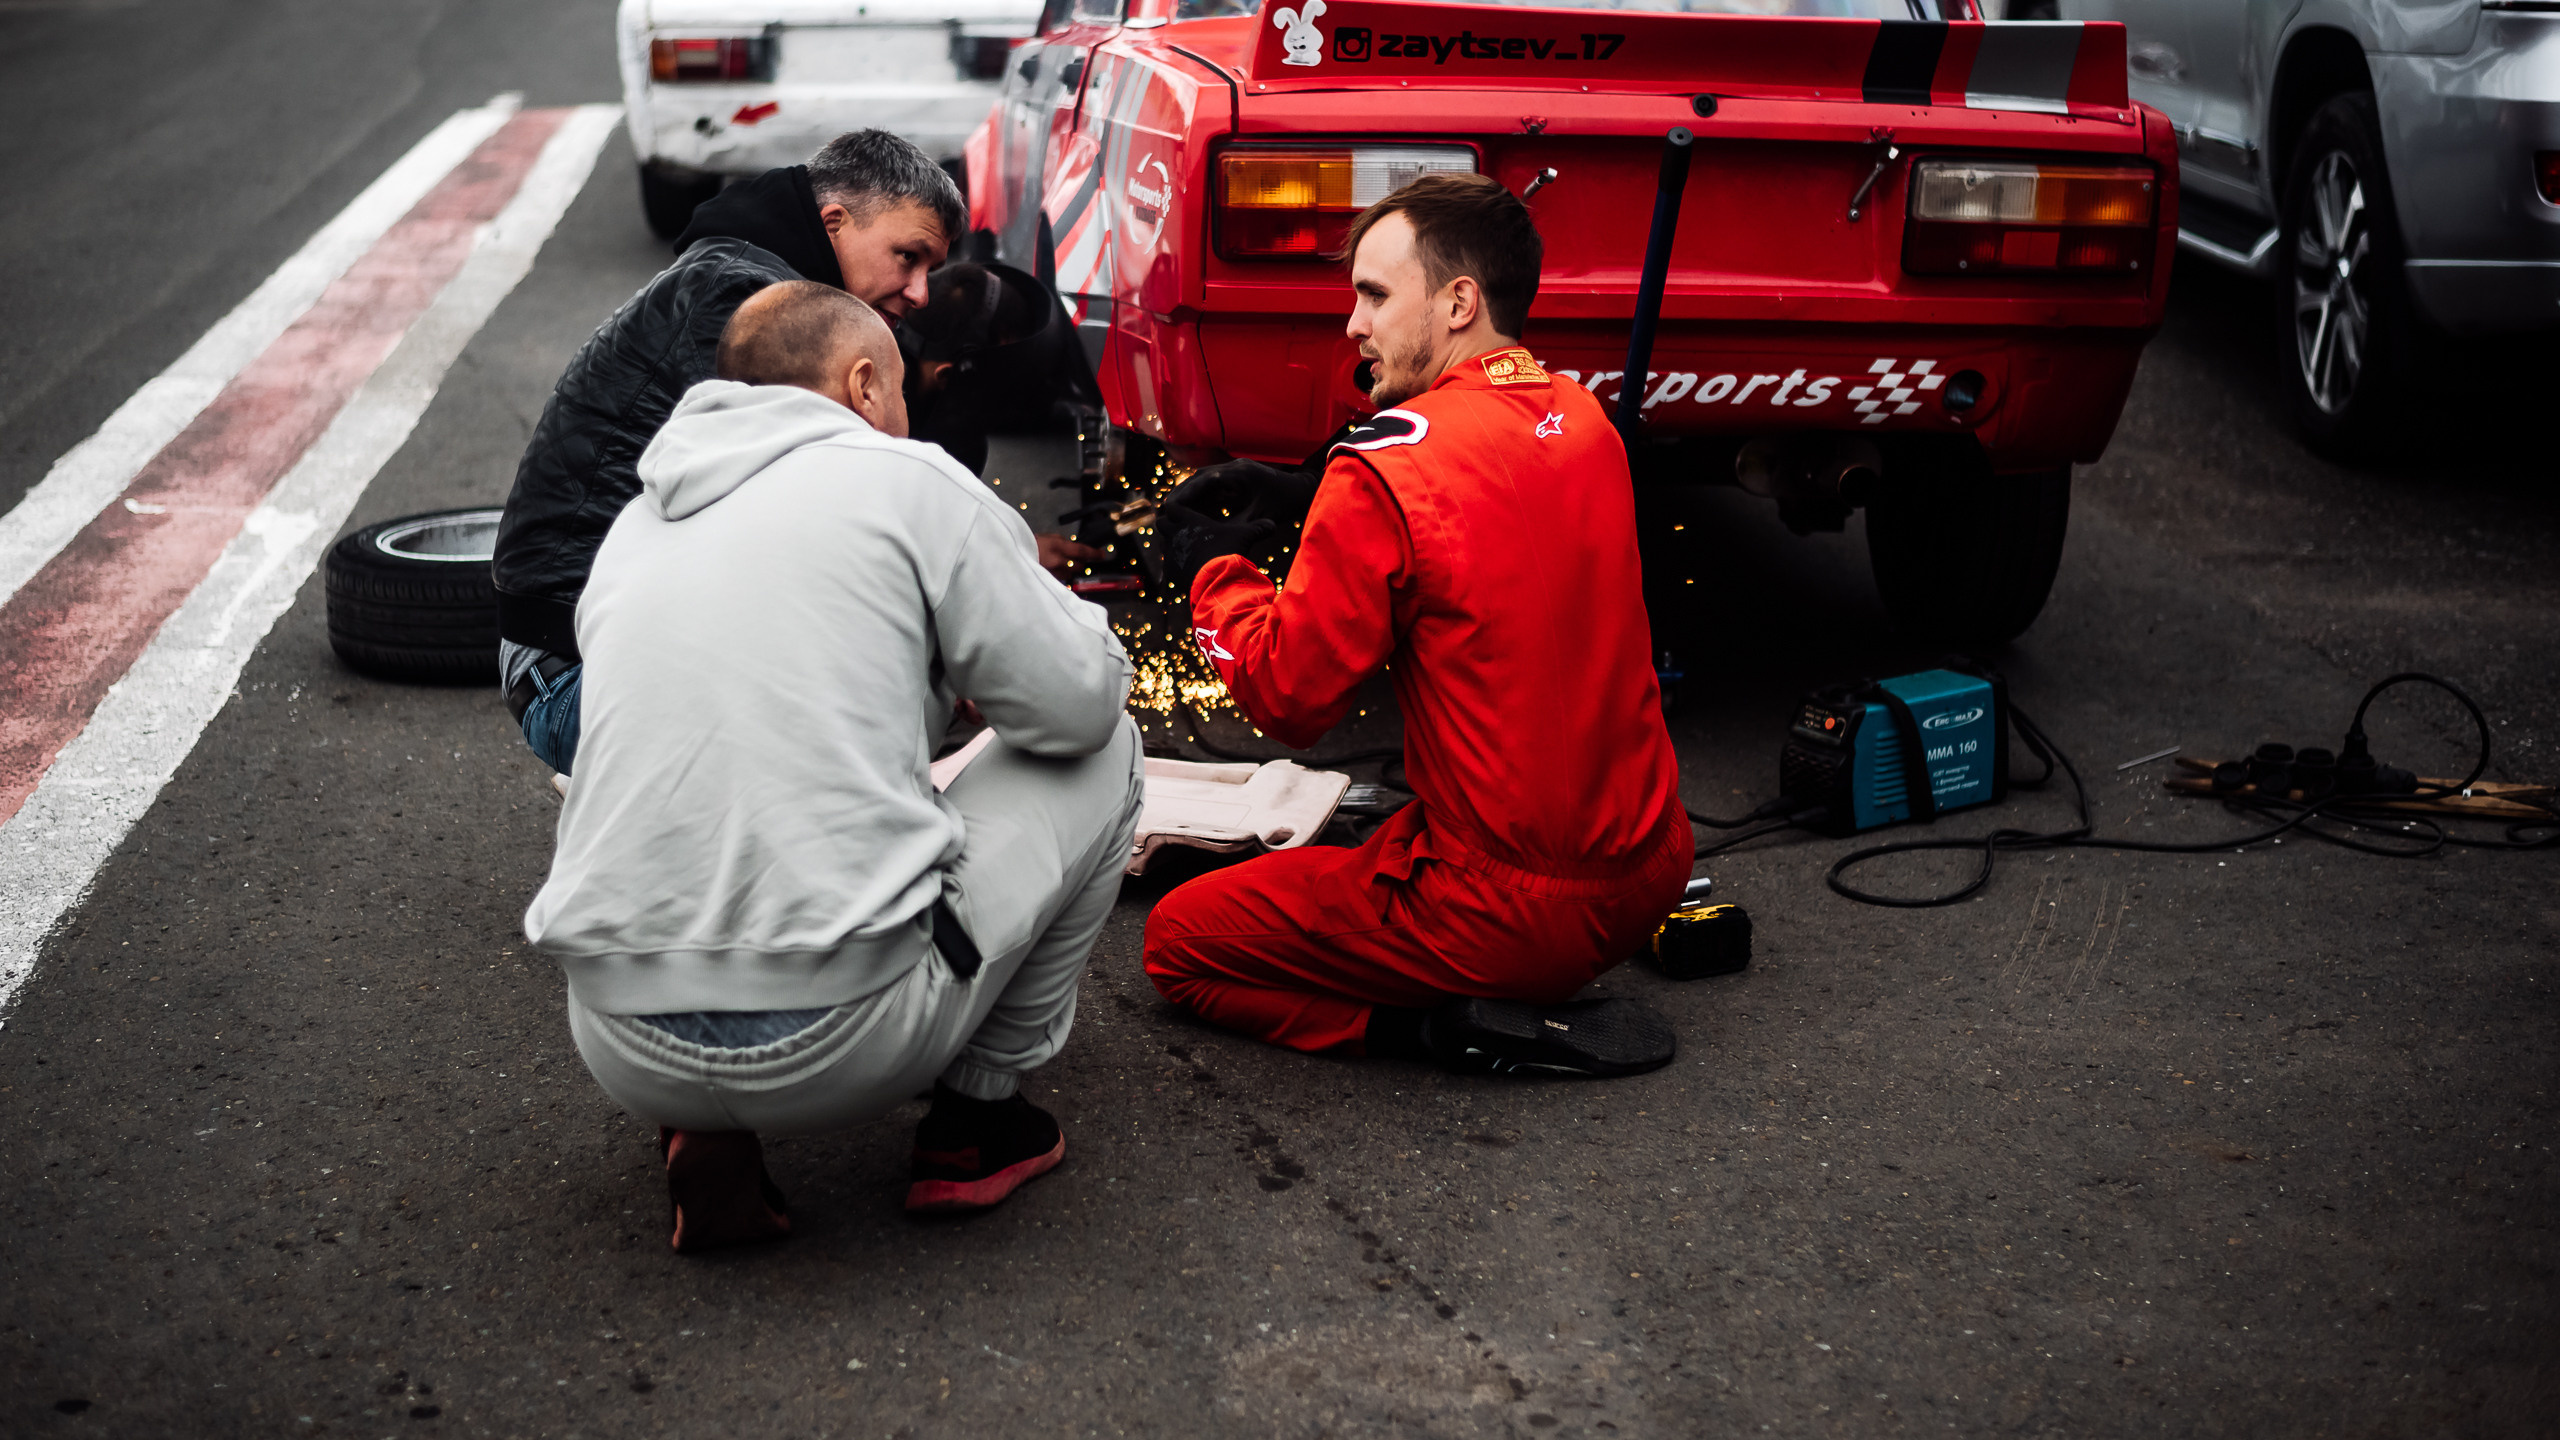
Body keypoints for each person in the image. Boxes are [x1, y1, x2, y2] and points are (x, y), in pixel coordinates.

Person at [525, 281, 1144, 1251]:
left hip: (617, 1033)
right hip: (841, 1034)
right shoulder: (908, 478)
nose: (906, 415)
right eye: (898, 392)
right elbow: (1073, 706)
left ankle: (703, 1125)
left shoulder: (636, 526)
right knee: (1108, 747)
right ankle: (978, 1123)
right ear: (863, 384)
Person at [1140, 173, 1691, 1078]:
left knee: (1179, 941)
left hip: (1504, 914)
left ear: (1459, 301)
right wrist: (1311, 490)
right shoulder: (1583, 415)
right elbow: (1480, 497)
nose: (1355, 326)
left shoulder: (1382, 472)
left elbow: (1289, 695)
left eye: (1374, 295)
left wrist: (1209, 573)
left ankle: (1439, 1031)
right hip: (1651, 868)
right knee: (1385, 831)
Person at [493, 131, 1091, 776]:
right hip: (580, 677)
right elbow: (824, 522)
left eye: (930, 270)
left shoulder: (755, 282)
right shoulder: (743, 302)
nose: (920, 293)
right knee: (901, 663)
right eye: (908, 257)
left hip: (597, 655)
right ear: (834, 221)